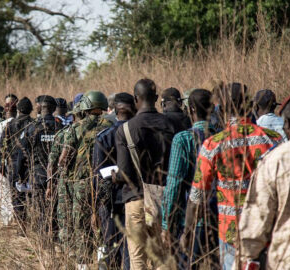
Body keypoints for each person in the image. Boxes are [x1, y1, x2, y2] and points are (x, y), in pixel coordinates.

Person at [181, 83, 282, 270]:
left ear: (222, 110)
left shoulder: (214, 144)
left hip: (231, 234)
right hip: (268, 230)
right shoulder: (274, 139)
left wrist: (187, 231)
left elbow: (197, 196)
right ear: (250, 106)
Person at [114, 79, 175, 269]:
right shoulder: (172, 125)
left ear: (135, 99)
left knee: (138, 259)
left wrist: (114, 176)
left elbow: (125, 174)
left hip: (136, 201)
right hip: (165, 200)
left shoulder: (125, 129)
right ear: (157, 98)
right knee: (163, 257)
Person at [238, 91, 290, 270]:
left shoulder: (275, 159)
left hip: (289, 258)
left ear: (287, 124)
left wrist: (247, 257)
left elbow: (256, 220)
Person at [161, 89, 217, 269]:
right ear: (213, 109)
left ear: (190, 109)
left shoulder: (182, 139)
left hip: (191, 222)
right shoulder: (222, 137)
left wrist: (167, 224)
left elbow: (174, 185)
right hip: (222, 219)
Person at [58, 90, 113, 269]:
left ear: (85, 107)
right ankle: (102, 259)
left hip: (81, 184)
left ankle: (83, 264)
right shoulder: (111, 126)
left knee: (81, 226)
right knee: (103, 222)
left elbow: (64, 159)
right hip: (106, 181)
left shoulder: (76, 127)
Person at [93, 92, 136, 270]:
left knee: (109, 244)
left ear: (115, 111)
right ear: (133, 108)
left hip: (110, 200)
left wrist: (97, 205)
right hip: (137, 198)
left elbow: (98, 175)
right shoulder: (140, 133)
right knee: (132, 248)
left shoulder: (104, 136)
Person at [17, 95, 63, 234]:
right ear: (54, 109)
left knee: (40, 210)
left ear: (40, 108)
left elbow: (21, 153)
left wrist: (20, 175)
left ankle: (43, 242)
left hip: (37, 175)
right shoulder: (60, 127)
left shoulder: (31, 128)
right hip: (56, 176)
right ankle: (54, 239)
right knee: (55, 210)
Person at [47, 94, 84, 250]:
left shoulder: (64, 133)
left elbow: (53, 163)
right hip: (90, 183)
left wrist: (50, 185)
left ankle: (69, 253)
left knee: (66, 219)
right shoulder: (102, 130)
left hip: (67, 184)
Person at [1, 97, 34, 232]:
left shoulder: (9, 126)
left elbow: (2, 147)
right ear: (31, 110)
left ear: (18, 110)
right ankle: (33, 223)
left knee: (17, 196)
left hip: (13, 165)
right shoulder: (34, 124)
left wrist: (0, 165)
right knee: (32, 196)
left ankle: (22, 226)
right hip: (30, 165)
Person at [0, 96, 18, 225]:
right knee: (17, 191)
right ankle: (17, 217)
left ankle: (6, 220)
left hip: (3, 163)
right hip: (18, 163)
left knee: (3, 191)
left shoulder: (1, 126)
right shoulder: (23, 123)